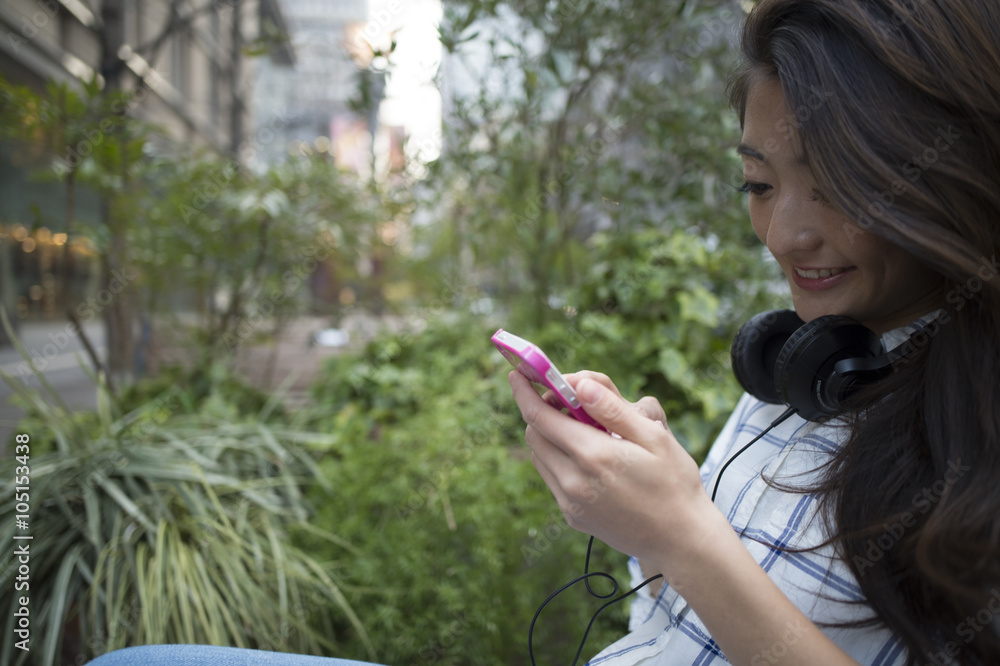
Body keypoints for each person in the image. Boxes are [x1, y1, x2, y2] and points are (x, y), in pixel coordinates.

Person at [509, 0, 1000, 664]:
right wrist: (650, 504)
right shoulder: (794, 373)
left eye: (838, 185)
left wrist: (684, 536)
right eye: (759, 185)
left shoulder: (975, 449)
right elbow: (676, 621)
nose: (785, 235)